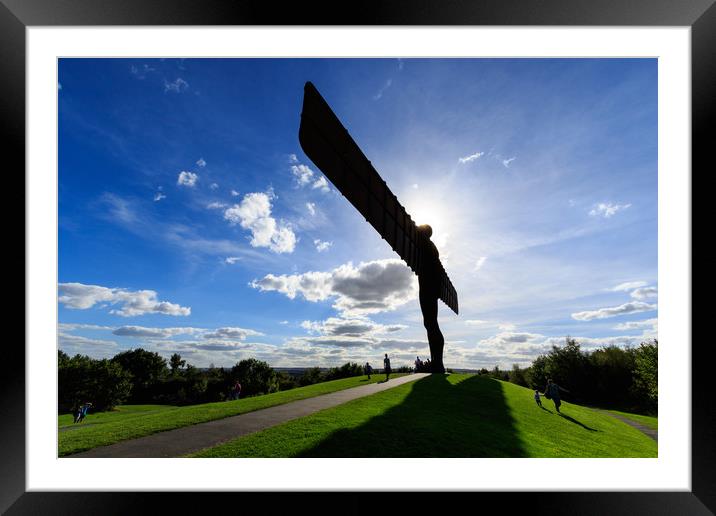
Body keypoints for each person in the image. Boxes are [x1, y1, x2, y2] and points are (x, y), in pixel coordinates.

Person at [416, 224, 446, 374]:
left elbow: (415, 231)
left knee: (431, 323)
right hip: (431, 289)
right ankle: (436, 362)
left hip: (427, 288)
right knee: (430, 323)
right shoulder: (433, 248)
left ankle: (438, 363)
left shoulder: (426, 244)